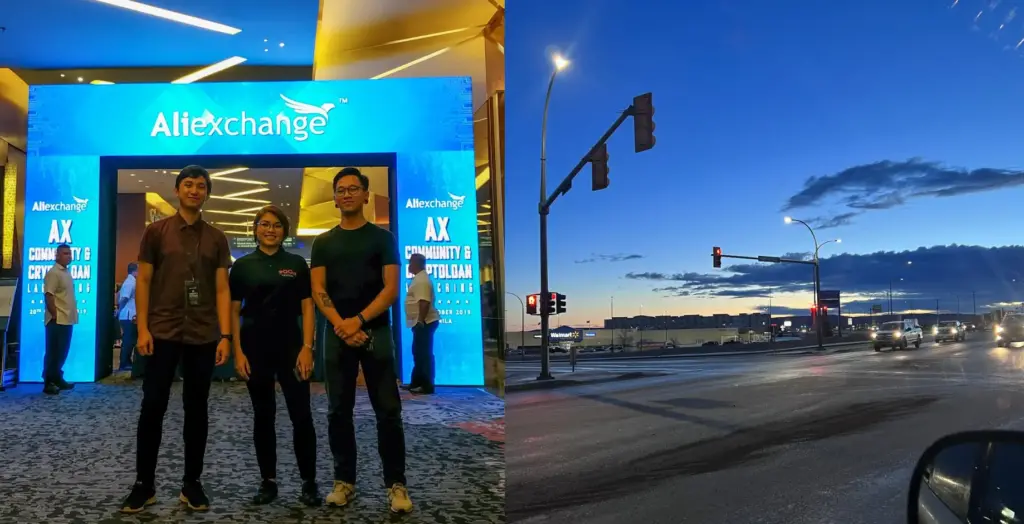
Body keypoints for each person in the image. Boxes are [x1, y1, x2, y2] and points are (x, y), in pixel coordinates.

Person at [120, 165, 232, 514]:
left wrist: (225, 334)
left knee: (196, 410)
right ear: (178, 190)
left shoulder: (216, 237)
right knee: (152, 408)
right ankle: (144, 484)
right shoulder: (156, 232)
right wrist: (142, 329)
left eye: (201, 186)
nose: (195, 190)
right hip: (162, 331)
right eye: (189, 185)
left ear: (207, 193)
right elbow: (144, 281)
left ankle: (192, 483)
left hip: (202, 333)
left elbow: (222, 288)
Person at [310, 167, 413, 514]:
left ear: (366, 195)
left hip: (376, 332)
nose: (347, 194)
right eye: (341, 190)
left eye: (354, 189)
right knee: (338, 411)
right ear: (335, 198)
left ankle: (396, 485)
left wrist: (358, 321)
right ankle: (344, 482)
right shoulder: (323, 243)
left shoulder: (383, 239)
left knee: (389, 412)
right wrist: (342, 324)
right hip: (337, 334)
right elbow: (318, 289)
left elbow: (391, 289)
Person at [229, 205, 320, 506]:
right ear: (255, 229)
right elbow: (232, 311)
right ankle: (268, 481)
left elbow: (308, 308)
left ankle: (309, 482)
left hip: (292, 350)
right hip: (255, 351)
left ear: (285, 230)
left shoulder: (295, 263)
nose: (271, 230)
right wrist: (237, 351)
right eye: (265, 224)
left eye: (277, 225)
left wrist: (308, 348)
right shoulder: (242, 266)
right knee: (263, 417)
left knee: (301, 416)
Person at [42, 243, 77, 395]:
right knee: (53, 352)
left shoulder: (66, 272)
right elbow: (49, 296)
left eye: (69, 253)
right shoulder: (53, 273)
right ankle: (49, 382)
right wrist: (55, 315)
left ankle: (57, 378)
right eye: (65, 253)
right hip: (57, 319)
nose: (68, 256)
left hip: (67, 319)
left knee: (62, 351)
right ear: (56, 255)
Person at [404, 253, 440, 394]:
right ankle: (416, 383)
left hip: (424, 322)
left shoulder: (422, 280)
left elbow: (424, 302)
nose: (409, 265)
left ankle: (426, 386)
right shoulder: (418, 279)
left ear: (417, 263)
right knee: (418, 353)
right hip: (420, 322)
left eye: (411, 263)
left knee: (423, 354)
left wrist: (420, 321)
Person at [117, 262, 139, 371]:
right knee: (128, 340)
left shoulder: (131, 281)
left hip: (129, 315)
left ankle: (127, 361)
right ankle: (124, 363)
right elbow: (124, 298)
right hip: (127, 315)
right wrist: (119, 311)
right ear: (134, 271)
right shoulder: (130, 283)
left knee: (131, 340)